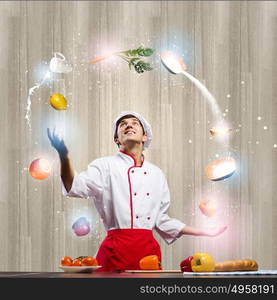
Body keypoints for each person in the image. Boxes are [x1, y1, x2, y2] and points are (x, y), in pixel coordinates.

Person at [47, 111, 227, 271]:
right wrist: (64, 155)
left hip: (148, 255)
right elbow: (74, 185)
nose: (128, 125)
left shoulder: (157, 174)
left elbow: (161, 221)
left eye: (134, 123)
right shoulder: (104, 166)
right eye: (122, 124)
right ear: (116, 139)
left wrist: (204, 232)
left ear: (145, 137)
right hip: (114, 252)